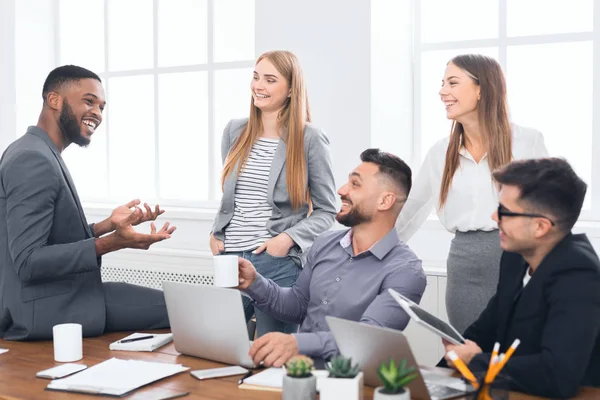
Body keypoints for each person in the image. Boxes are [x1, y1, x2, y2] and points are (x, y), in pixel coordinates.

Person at [0, 65, 176, 341]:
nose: (97, 112)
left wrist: (106, 226)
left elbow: (46, 236)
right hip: (48, 309)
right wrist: (113, 242)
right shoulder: (33, 159)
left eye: (102, 107)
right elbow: (28, 261)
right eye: (89, 101)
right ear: (54, 100)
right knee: (196, 307)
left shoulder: (36, 151)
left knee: (193, 304)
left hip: (63, 296)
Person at [396, 54, 549, 334]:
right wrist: (375, 250)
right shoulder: (440, 153)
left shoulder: (527, 141)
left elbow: (549, 210)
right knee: (469, 353)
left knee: (515, 355)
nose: (443, 91)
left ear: (482, 88)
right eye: (442, 83)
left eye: (453, 83)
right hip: (464, 268)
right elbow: (411, 210)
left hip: (517, 262)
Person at [236, 149, 427, 366]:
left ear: (385, 201)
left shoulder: (406, 272)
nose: (341, 190)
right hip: (299, 373)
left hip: (351, 383)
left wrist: (297, 343)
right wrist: (253, 283)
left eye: (355, 184)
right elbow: (297, 305)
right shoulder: (325, 243)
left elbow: (369, 338)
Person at [443, 158, 600, 398]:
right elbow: (484, 331)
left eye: (505, 211)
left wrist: (475, 360)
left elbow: (557, 375)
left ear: (540, 227)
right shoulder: (515, 258)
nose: (495, 217)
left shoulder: (579, 275)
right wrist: (439, 372)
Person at [210, 50, 337, 337]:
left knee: (273, 358)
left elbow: (328, 210)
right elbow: (233, 197)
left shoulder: (310, 139)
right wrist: (216, 232)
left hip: (275, 262)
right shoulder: (234, 131)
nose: (259, 86)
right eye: (256, 77)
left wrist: (287, 239)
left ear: (291, 88)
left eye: (270, 80)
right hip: (229, 259)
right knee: (222, 348)